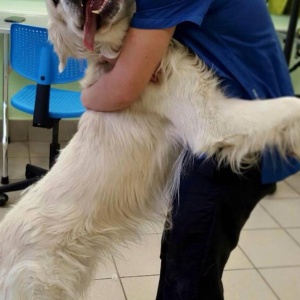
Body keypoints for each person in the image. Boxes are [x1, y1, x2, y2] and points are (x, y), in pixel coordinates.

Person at [81, 0, 300, 299]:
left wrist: (87, 95)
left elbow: (121, 91)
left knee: (190, 274)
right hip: (222, 124)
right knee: (180, 258)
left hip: (239, 137)